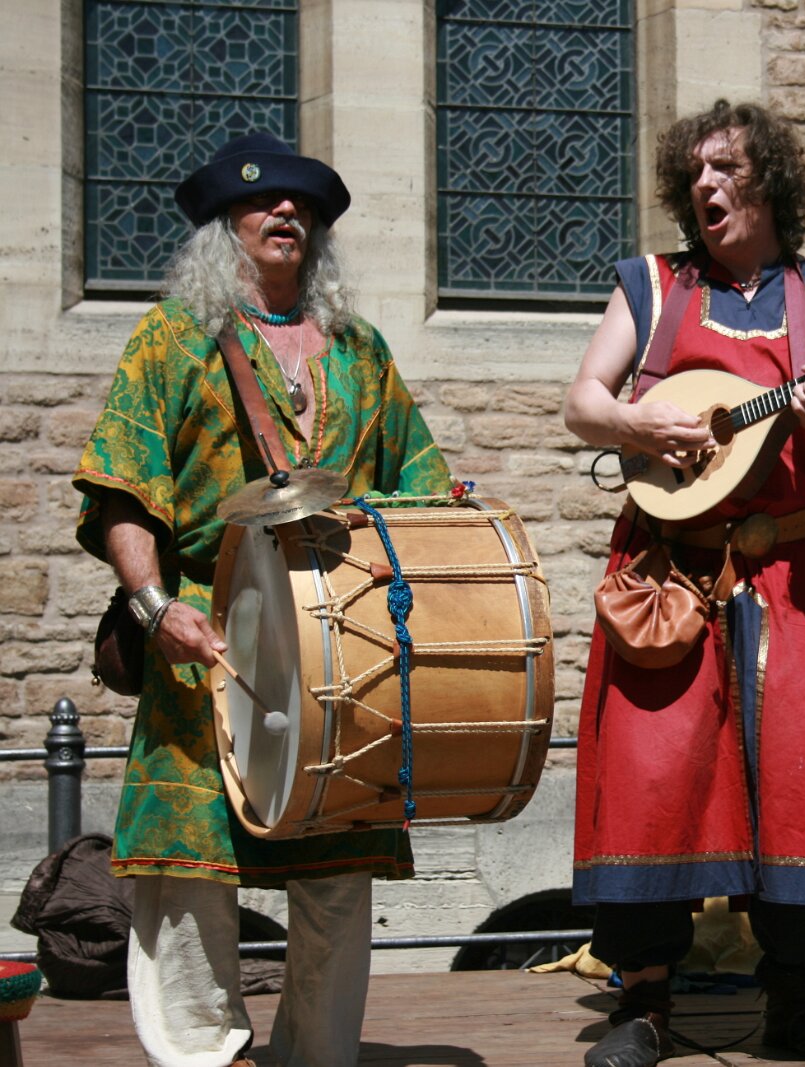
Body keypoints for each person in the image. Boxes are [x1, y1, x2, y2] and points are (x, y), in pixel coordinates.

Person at [72, 133, 453, 1067]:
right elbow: (123, 489)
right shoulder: (172, 340)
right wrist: (154, 607)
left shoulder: (360, 351)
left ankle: (317, 1054)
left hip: (344, 634)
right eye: (265, 202)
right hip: (206, 624)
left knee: (338, 863)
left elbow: (423, 483)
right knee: (189, 862)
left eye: (303, 205)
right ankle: (205, 1051)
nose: (288, 213)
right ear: (222, 228)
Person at [563, 99, 805, 1067]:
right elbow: (583, 401)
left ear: (770, 184)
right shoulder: (655, 285)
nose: (706, 185)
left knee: (799, 775)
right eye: (695, 172)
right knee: (652, 770)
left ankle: (792, 1000)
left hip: (788, 576)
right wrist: (639, 425)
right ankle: (643, 1002)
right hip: (666, 572)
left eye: (728, 169)